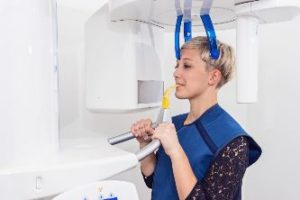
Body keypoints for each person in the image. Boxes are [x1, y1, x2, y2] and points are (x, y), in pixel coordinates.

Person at [131, 36, 262, 200]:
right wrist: (145, 145)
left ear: (213, 77)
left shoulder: (233, 142)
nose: (176, 73)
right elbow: (155, 181)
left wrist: (175, 150)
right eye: (177, 65)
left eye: (186, 66)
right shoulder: (174, 124)